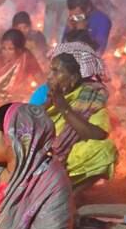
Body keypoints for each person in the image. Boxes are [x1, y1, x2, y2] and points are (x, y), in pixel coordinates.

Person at [44, 43, 117, 185]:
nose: (49, 77)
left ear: (74, 78)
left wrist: (64, 108)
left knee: (104, 151)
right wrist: (48, 104)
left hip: (64, 158)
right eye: (50, 71)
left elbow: (98, 134)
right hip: (40, 153)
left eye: (56, 71)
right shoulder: (47, 91)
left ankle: (69, 196)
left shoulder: (90, 97)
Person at [0, 29, 44, 103]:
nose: (6, 52)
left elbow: (41, 81)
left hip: (20, 98)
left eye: (10, 49)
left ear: (19, 50)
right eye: (4, 48)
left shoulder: (26, 57)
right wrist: (3, 96)